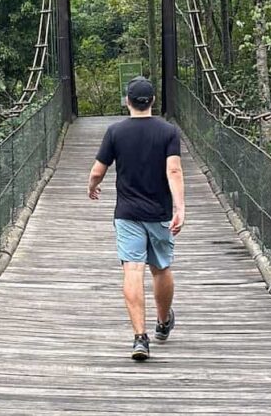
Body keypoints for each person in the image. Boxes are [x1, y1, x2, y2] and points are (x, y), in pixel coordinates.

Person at [87, 76, 185, 361]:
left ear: (127, 102)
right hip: (159, 213)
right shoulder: (168, 132)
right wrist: (180, 208)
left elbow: (97, 171)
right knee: (161, 268)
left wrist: (92, 187)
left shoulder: (115, 132)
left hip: (127, 214)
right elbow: (174, 172)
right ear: (152, 101)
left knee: (132, 270)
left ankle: (140, 338)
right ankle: (163, 322)